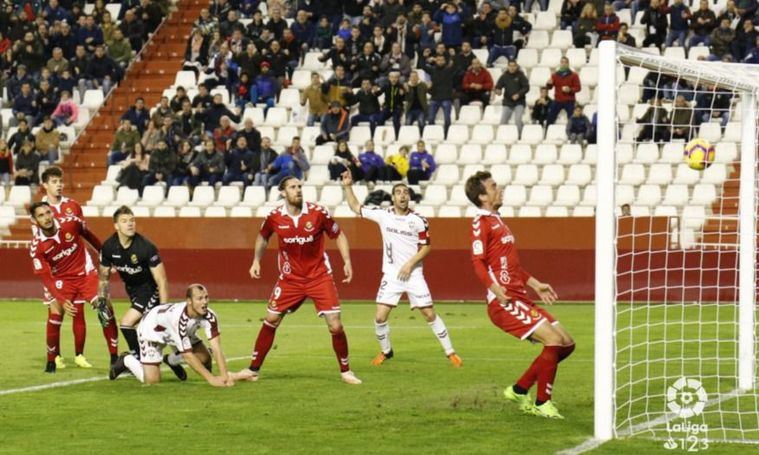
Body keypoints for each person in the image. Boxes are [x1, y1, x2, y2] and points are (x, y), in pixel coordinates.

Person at [465, 171, 575, 419]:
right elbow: (478, 263)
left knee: (567, 344)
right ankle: (541, 402)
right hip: (504, 301)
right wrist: (495, 290)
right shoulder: (481, 222)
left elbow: (511, 265)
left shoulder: (498, 220)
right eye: (493, 186)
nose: (499, 188)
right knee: (553, 341)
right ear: (482, 196)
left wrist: (536, 284)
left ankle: (519, 389)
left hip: (520, 297)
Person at [234, 177, 362, 385]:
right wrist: (256, 260)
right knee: (271, 319)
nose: (298, 190)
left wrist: (347, 261)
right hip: (290, 279)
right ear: (283, 192)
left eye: (300, 187)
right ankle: (253, 370)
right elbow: (263, 237)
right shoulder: (274, 217)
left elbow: (338, 235)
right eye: (293, 187)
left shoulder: (318, 213)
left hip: (319, 276)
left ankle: (346, 371)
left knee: (335, 325)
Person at [342, 173, 462, 367]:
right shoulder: (383, 215)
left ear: (409, 197)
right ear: (393, 198)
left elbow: (426, 247)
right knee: (380, 317)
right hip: (391, 275)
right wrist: (348, 186)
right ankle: (386, 351)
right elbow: (356, 207)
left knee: (429, 314)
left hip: (414, 274)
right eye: (398, 192)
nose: (402, 196)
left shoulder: (418, 220)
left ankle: (451, 352)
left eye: (405, 192)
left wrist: (409, 264)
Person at [29, 202, 119, 373]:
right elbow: (46, 278)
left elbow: (89, 235)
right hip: (60, 280)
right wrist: (61, 300)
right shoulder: (37, 247)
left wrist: (104, 256)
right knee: (55, 314)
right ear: (34, 220)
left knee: (105, 308)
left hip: (86, 274)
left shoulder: (71, 222)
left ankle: (115, 358)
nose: (46, 217)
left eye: (48, 212)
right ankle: (51, 361)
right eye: (41, 215)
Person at [96, 206, 180, 374]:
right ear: (116, 226)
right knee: (150, 330)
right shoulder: (108, 247)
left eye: (132, 220)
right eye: (124, 221)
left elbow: (161, 280)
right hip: (133, 291)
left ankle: (134, 359)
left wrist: (163, 309)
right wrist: (102, 300)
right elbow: (104, 277)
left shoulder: (146, 247)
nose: (130, 224)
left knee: (127, 324)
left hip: (150, 290)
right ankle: (173, 359)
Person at [110, 284, 235, 387]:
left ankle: (170, 360)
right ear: (189, 301)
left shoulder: (210, 316)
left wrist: (224, 377)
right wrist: (211, 380)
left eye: (206, 297)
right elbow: (188, 356)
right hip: (151, 330)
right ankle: (126, 359)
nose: (205, 302)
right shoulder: (179, 319)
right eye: (200, 298)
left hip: (173, 331)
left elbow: (216, 348)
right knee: (152, 381)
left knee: (205, 358)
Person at [495, 60, 530, 135]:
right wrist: (498, 91)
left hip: (519, 102)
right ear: (508, 67)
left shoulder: (521, 75)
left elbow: (526, 87)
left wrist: (518, 94)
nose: (512, 68)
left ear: (516, 66)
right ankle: (503, 136)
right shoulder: (504, 76)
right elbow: (498, 86)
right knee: (503, 121)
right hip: (508, 102)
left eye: (514, 66)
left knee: (517, 120)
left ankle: (520, 136)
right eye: (510, 66)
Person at [545, 57, 581, 126]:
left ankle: (571, 133)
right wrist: (548, 84)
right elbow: (549, 87)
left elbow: (578, 88)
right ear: (560, 63)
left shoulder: (574, 75)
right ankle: (547, 132)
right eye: (562, 62)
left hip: (569, 100)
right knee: (550, 117)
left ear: (568, 64)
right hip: (558, 100)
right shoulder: (554, 75)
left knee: (572, 118)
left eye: (565, 62)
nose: (563, 64)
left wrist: (570, 90)